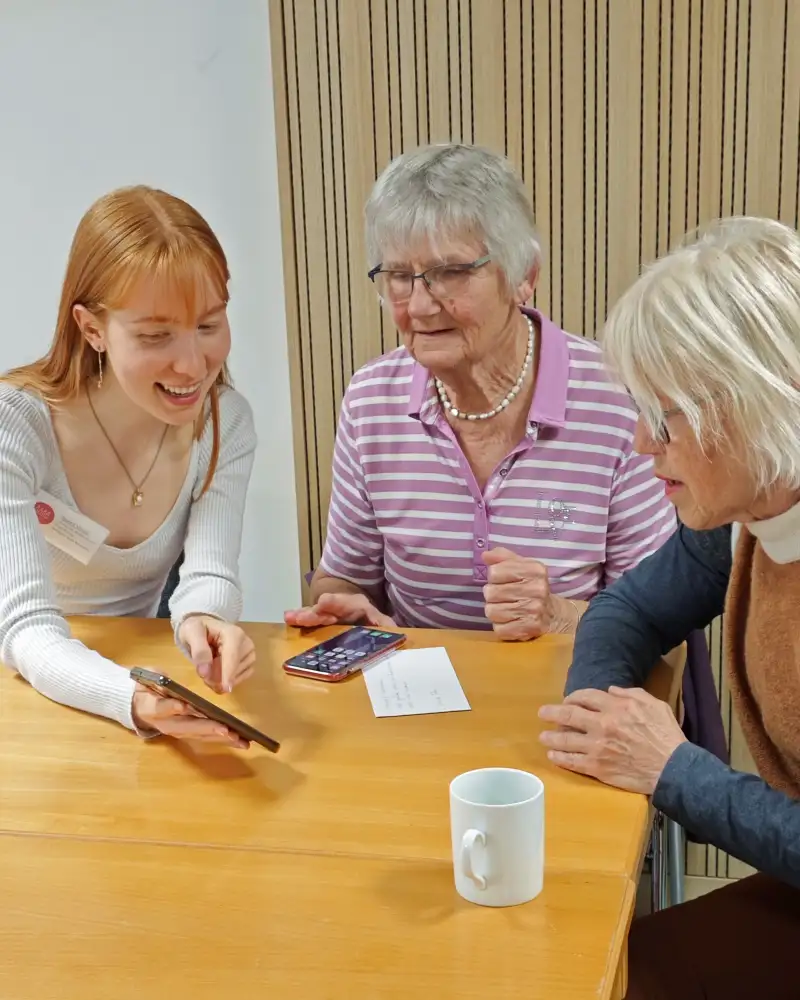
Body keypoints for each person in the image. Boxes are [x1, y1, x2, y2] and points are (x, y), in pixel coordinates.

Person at [537, 216, 800, 999]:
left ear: (754, 402)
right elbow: (625, 613)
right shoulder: (743, 517)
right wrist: (600, 715)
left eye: (665, 416)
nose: (645, 446)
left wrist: (672, 769)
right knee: (600, 969)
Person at [285, 143, 674, 639]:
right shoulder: (370, 402)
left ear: (523, 277)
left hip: (571, 694)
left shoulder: (617, 400)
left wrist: (558, 615)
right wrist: (343, 609)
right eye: (400, 277)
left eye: (451, 273)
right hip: (413, 697)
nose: (421, 306)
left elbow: (657, 618)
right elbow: (344, 577)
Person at [0, 186, 257, 748]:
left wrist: (204, 621)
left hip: (127, 687)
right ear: (92, 328)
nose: (193, 365)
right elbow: (24, 628)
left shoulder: (225, 422)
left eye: (209, 325)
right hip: (22, 691)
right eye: (155, 336)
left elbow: (209, 574)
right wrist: (129, 697)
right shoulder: (14, 425)